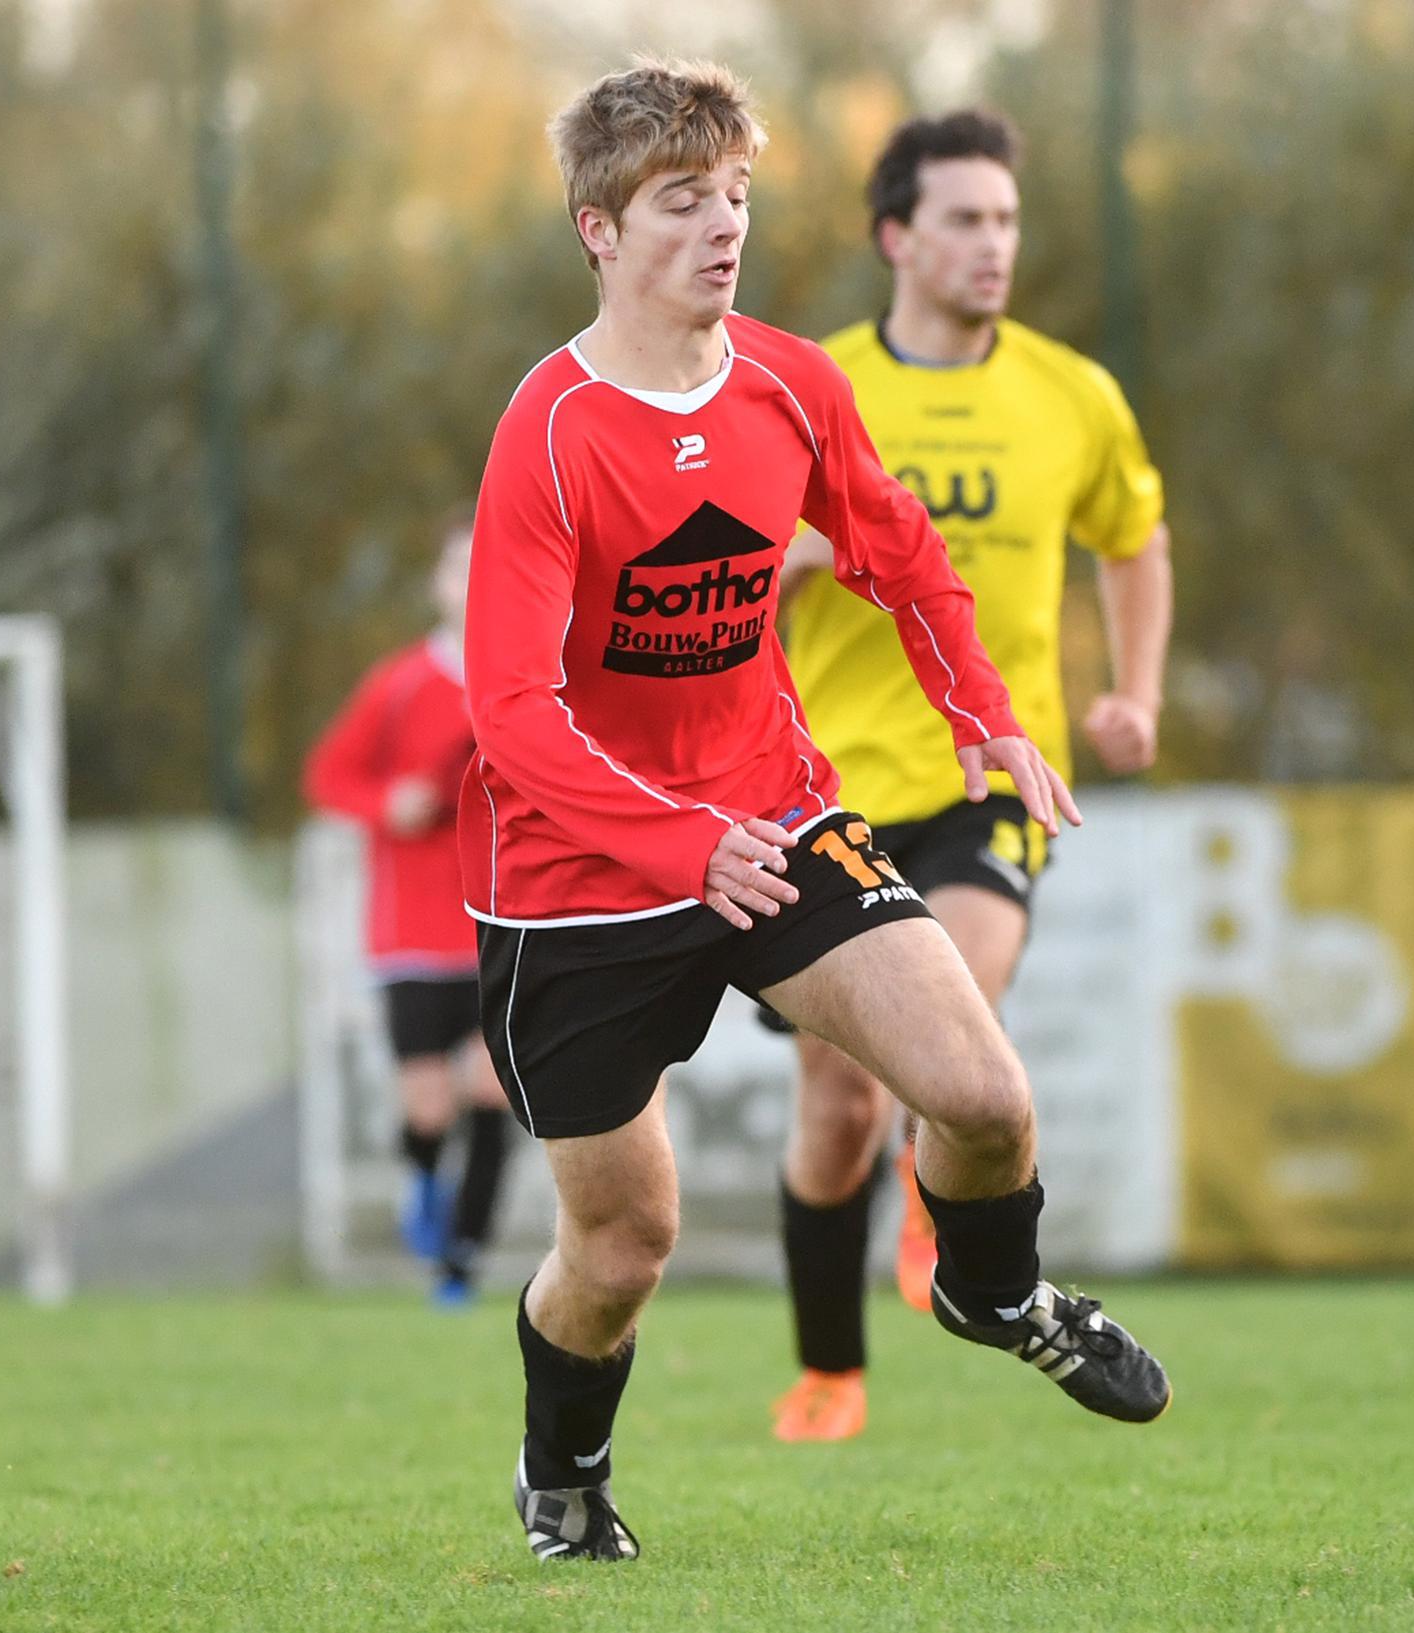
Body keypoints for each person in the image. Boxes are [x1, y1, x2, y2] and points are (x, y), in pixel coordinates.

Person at [464, 59, 1171, 1563]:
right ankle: (564, 1476)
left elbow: (904, 557)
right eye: (680, 201)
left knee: (981, 1099)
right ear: (597, 228)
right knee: (621, 1244)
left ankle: (992, 1291)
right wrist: (670, 841)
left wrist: (985, 717)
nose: (723, 227)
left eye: (734, 194)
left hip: (775, 820)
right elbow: (513, 719)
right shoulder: (548, 430)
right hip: (577, 883)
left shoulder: (793, 381)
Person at [761, 108, 1172, 1446]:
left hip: (989, 770)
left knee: (962, 982)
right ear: (896, 236)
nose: (993, 245)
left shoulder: (1070, 393)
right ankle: (830, 1372)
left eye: (1006, 219)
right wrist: (796, 561)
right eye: (963, 219)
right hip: (823, 789)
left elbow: (1134, 536)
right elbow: (713, 566)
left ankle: (946, 1218)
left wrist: (1135, 688)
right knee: (833, 1104)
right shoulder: (806, 388)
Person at [303, 519, 514, 1308]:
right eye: (458, 568)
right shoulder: (397, 684)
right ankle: (422, 1174)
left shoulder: (527, 679)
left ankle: (460, 1265)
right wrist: (385, 802)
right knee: (429, 1103)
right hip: (414, 936)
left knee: (494, 1093)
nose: (471, 582)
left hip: (503, 923)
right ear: (436, 584)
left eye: (485, 567)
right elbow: (328, 776)